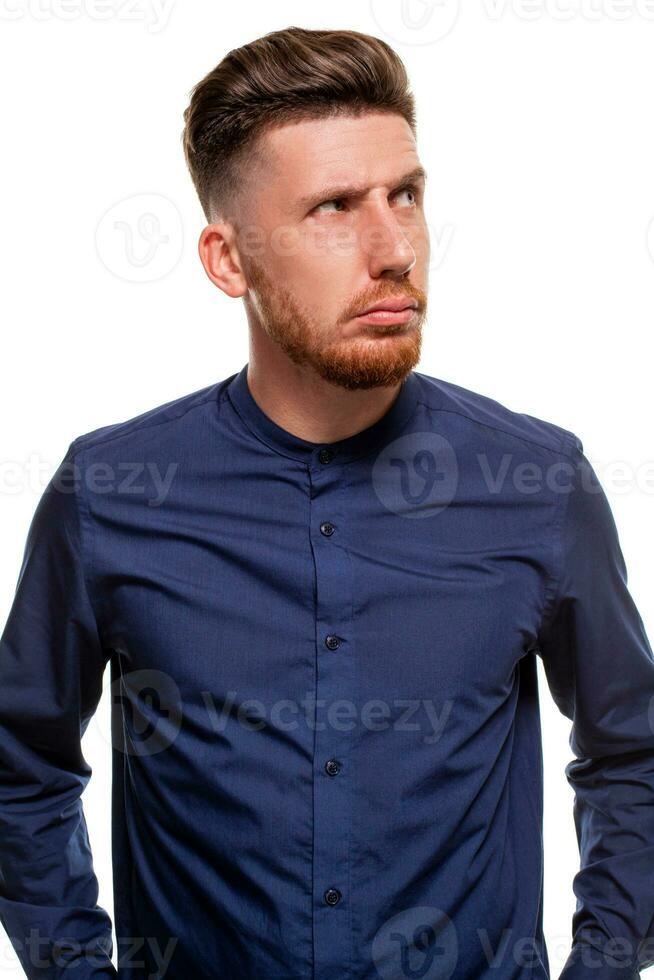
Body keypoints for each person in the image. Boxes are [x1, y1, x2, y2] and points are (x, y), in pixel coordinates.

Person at [1, 25, 653, 980]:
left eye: (407, 196)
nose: (394, 248)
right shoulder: (109, 495)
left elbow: (634, 750)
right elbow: (22, 761)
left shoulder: (540, 482)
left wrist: (602, 967)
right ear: (230, 261)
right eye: (334, 208)